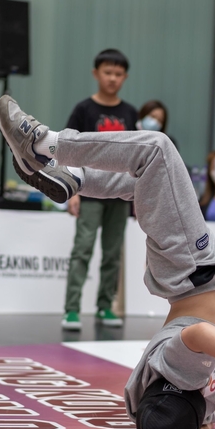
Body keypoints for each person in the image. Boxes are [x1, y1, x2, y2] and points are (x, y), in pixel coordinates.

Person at [0, 95, 215, 429]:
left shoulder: (178, 367)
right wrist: (205, 418)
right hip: (179, 277)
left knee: (156, 151)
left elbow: (201, 334)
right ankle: (74, 179)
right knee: (145, 181)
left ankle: (44, 145)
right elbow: (195, 399)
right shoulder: (173, 393)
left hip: (189, 265)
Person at [62, 49, 138, 330]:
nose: (112, 78)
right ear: (96, 74)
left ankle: (105, 306)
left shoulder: (130, 113)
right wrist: (73, 191)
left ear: (125, 77)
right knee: (82, 249)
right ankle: (72, 309)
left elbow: (137, 153)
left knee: (113, 252)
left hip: (120, 193)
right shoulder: (84, 110)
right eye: (107, 72)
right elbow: (68, 150)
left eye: (118, 74)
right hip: (89, 191)